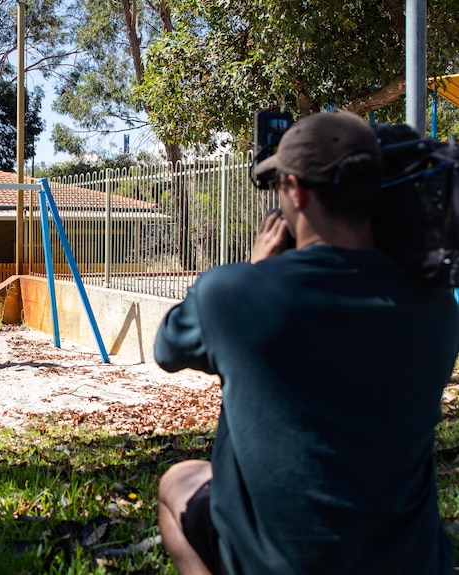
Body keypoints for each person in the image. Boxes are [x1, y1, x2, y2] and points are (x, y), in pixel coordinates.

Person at [153, 110, 459, 575]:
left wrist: (258, 270)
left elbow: (167, 349)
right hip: (413, 564)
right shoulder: (437, 308)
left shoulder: (232, 294)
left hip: (281, 565)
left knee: (178, 481)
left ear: (296, 190)